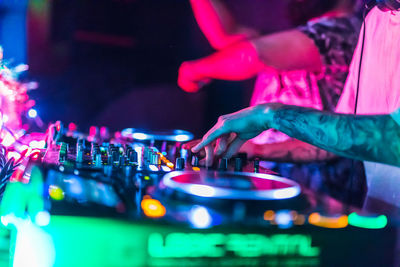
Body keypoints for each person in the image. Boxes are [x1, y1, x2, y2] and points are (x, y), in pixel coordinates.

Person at [192, 3, 400, 208]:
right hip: (382, 219)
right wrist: (256, 148)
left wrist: (270, 116)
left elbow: (394, 139)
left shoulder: (338, 30)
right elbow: (342, 137)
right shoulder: (375, 19)